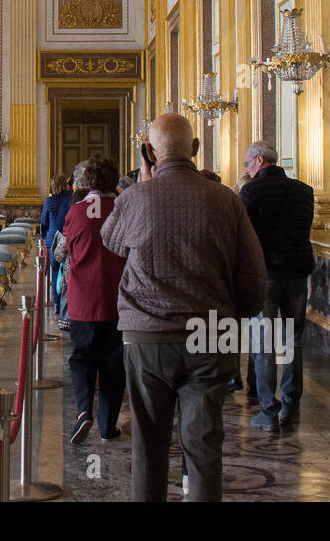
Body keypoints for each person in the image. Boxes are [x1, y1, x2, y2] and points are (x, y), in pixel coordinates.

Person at [101, 113, 267, 501]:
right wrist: (230, 319)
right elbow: (255, 280)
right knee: (205, 448)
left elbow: (112, 243)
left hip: (147, 338)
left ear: (148, 153)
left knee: (148, 447)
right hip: (211, 336)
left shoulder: (133, 199)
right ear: (195, 149)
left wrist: (145, 186)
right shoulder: (226, 199)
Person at [240, 140, 316, 430]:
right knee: (293, 340)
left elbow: (247, 238)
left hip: (267, 274)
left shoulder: (252, 191)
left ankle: (268, 411)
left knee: (264, 345)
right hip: (297, 273)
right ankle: (292, 403)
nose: (246, 168)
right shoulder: (304, 191)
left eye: (248, 163)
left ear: (259, 160)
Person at [59, 156, 127, 445]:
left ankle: (83, 410)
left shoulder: (76, 212)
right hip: (118, 300)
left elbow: (61, 253)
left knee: (82, 358)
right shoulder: (124, 209)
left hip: (84, 299)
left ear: (87, 181)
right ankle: (107, 426)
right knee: (113, 365)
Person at [39, 174, 72, 324]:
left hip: (52, 240)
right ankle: (67, 303)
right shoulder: (70, 199)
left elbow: (43, 221)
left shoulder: (49, 201)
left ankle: (56, 303)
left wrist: (44, 236)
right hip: (67, 238)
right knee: (67, 272)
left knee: (54, 272)